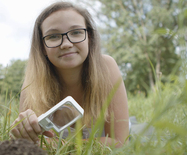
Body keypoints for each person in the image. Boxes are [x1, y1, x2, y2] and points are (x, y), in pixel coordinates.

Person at [10, 1, 129, 148]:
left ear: (89, 37)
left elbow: (120, 142)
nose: (66, 44)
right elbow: (29, 144)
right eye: (53, 36)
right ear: (42, 47)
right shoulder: (32, 84)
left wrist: (58, 145)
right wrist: (24, 134)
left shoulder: (107, 67)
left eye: (76, 32)